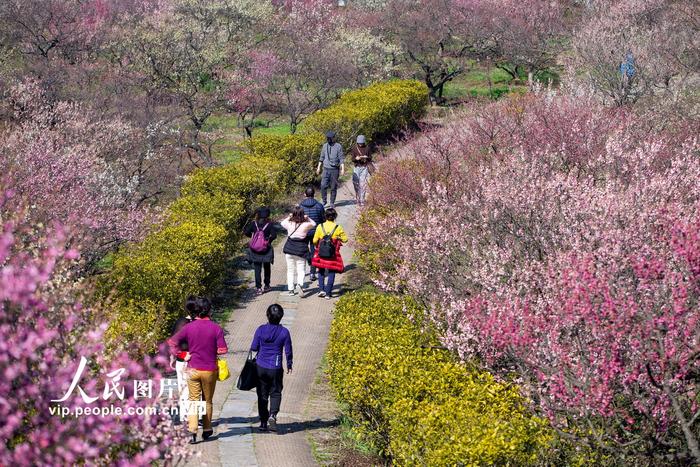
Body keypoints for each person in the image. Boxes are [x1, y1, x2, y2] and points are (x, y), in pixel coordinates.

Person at [168, 297, 228, 444]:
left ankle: (192, 430)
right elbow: (222, 350)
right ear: (209, 310)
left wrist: (182, 354)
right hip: (209, 369)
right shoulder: (216, 328)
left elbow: (171, 342)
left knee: (193, 400)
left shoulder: (189, 327)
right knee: (207, 400)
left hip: (192, 369)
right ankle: (207, 429)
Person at [250, 304, 293, 432]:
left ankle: (263, 422)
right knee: (275, 392)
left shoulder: (260, 329)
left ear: (267, 315)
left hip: (260, 366)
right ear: (281, 317)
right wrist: (289, 364)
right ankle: (273, 415)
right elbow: (288, 350)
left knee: (262, 395)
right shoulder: (284, 332)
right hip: (276, 366)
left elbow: (254, 347)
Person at [311, 207, 348, 299]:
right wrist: (338, 238)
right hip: (333, 254)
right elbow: (345, 239)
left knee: (321, 271)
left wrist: (318, 245)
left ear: (325, 216)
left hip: (321, 253)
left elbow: (314, 240)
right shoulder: (338, 227)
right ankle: (328, 293)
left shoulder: (320, 226)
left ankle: (321, 290)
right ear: (335, 216)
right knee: (331, 272)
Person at [281, 206, 317, 296]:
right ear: (302, 214)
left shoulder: (289, 223)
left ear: (293, 214)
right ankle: (300, 284)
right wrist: (307, 217)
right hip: (301, 250)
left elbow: (282, 223)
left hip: (290, 249)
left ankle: (291, 290)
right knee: (301, 269)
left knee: (290, 270)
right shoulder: (305, 225)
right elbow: (314, 223)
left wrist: (289, 216)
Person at [170, 296, 195, 423]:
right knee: (194, 391)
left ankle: (188, 418)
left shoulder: (183, 323)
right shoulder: (192, 323)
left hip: (185, 359)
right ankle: (193, 418)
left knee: (185, 390)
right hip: (192, 360)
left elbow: (172, 341)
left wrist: (178, 354)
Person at [244, 207, 277, 294]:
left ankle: (258, 288)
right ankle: (267, 286)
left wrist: (254, 238)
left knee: (257, 268)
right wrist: (268, 241)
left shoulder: (254, 223)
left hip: (255, 249)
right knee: (267, 267)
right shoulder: (270, 224)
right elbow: (274, 235)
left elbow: (247, 232)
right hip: (266, 249)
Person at [299, 186, 325, 281]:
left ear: (305, 194)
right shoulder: (319, 205)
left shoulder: (300, 206)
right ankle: (313, 273)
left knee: (304, 250)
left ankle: (309, 260)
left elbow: (298, 220)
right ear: (314, 194)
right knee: (314, 251)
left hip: (304, 232)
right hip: (316, 232)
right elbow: (323, 220)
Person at [316, 130, 345, 208]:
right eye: (328, 138)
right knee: (323, 185)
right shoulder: (325, 146)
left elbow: (341, 158)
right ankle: (324, 201)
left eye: (330, 138)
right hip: (326, 169)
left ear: (333, 138)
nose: (329, 139)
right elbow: (321, 157)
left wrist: (342, 169)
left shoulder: (338, 146)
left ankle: (332, 202)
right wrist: (319, 167)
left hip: (335, 170)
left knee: (333, 187)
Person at [351, 134, 373, 207]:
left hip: (364, 167)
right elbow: (352, 159)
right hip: (357, 167)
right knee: (355, 183)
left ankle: (362, 200)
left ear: (364, 142)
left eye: (361, 143)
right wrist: (356, 159)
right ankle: (358, 197)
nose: (360, 144)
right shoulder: (354, 148)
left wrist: (366, 157)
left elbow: (370, 158)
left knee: (363, 184)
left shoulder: (367, 148)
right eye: (359, 143)